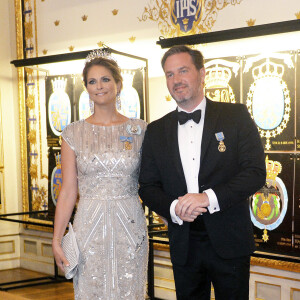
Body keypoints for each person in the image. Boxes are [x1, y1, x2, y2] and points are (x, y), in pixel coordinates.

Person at [138, 45, 266, 300]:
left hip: (229, 239)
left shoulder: (235, 116)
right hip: (184, 243)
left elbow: (254, 172)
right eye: (169, 74)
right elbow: (147, 186)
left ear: (202, 73)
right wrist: (174, 207)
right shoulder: (155, 130)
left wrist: (208, 198)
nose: (176, 80)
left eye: (183, 71)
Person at [52, 50, 148, 299]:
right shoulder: (73, 133)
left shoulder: (140, 130)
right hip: (88, 228)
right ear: (86, 88)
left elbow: (152, 182)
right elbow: (68, 191)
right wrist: (56, 238)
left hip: (130, 224)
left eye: (105, 79)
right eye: (92, 81)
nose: (99, 86)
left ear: (118, 84)